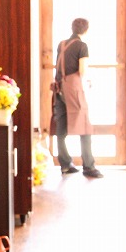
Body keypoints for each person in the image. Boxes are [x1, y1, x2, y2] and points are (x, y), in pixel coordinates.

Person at [52, 17, 103, 178]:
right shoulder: (82, 46)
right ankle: (89, 166)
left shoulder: (62, 44)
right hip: (73, 89)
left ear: (72, 28)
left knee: (61, 126)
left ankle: (65, 164)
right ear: (86, 30)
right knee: (85, 127)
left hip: (59, 87)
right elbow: (82, 71)